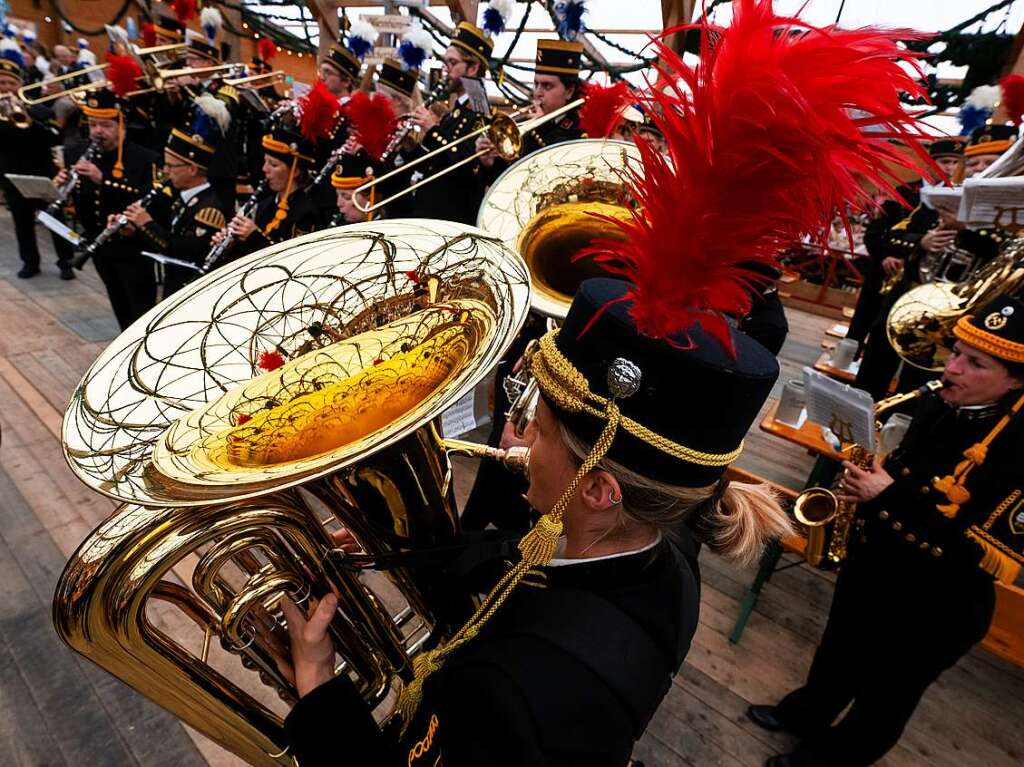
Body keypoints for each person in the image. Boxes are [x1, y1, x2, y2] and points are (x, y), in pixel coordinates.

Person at [278, 3, 938, 763]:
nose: (514, 433)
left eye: (537, 423)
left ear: (597, 487)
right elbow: (514, 566)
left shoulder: (512, 693)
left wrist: (320, 693)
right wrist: (387, 543)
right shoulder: (659, 553)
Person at [750, 294, 1024, 767]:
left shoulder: (1018, 450)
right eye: (956, 352)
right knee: (840, 648)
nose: (952, 368)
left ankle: (832, 759)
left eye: (974, 363)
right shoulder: (943, 402)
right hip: (880, 560)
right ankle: (807, 713)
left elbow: (974, 552)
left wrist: (887, 495)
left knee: (885, 694)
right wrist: (875, 473)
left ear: (1018, 380)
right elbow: (908, 470)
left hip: (938, 600)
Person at [854, 125, 1015, 400]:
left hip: (958, 314)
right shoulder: (944, 198)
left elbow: (1007, 258)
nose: (978, 169)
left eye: (990, 163)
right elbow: (893, 235)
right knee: (874, 365)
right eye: (973, 162)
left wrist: (966, 228)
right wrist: (923, 241)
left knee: (919, 385)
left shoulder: (1013, 214)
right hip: (909, 297)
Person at [846, 138, 964, 346]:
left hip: (917, 277)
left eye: (955, 162)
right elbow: (874, 233)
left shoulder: (957, 197)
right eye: (945, 161)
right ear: (930, 164)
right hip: (885, 271)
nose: (950, 168)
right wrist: (885, 255)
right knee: (864, 323)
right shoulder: (904, 192)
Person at [58, 89, 160, 329]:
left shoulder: (144, 158)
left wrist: (103, 180)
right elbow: (81, 201)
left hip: (133, 249)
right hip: (100, 246)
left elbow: (150, 199)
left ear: (122, 125)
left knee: (141, 310)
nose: (97, 132)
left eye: (105, 126)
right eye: (93, 125)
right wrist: (61, 187)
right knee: (119, 303)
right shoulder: (81, 154)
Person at [124, 96, 232, 296]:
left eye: (171, 166)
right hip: (174, 286)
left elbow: (183, 251)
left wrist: (146, 224)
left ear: (192, 169)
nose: (165, 171)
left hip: (191, 291)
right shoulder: (182, 197)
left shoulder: (209, 209)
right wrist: (134, 228)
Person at [407, 22, 493, 224]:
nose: (446, 70)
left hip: (453, 218)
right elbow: (435, 163)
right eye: (446, 63)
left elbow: (466, 163)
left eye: (453, 63)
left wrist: (432, 131)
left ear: (473, 67)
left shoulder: (481, 114)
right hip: (432, 215)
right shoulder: (454, 112)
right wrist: (409, 149)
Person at [475, 38, 585, 181]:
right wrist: (488, 163)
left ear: (569, 91)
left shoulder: (579, 131)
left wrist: (540, 128)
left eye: (547, 86)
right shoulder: (526, 125)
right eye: (536, 84)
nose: (537, 92)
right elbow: (507, 180)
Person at [0, 40, 65, 279]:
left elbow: (55, 137)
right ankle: (30, 262)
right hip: (12, 177)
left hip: (42, 173)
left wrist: (28, 117)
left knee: (55, 219)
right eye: (2, 83)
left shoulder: (39, 109)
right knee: (22, 222)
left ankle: (66, 262)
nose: (6, 87)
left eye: (11, 83)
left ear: (20, 84)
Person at [216, 124, 323, 257]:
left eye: (273, 164)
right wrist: (230, 247)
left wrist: (254, 236)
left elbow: (293, 260)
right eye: (265, 162)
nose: (265, 169)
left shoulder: (306, 214)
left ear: (294, 171)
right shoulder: (264, 205)